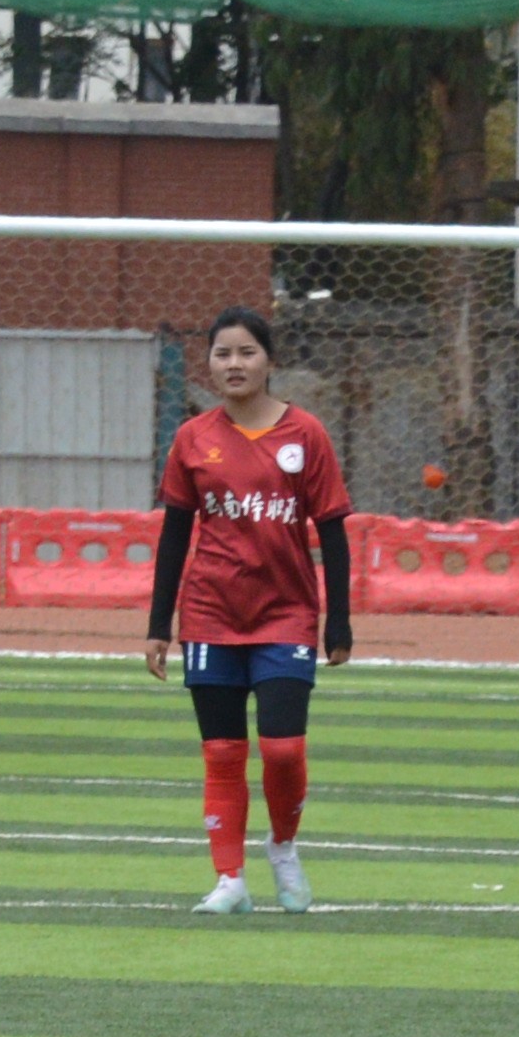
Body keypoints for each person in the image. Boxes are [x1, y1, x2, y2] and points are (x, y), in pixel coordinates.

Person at [145, 306, 353, 915]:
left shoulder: (306, 435)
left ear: (269, 360)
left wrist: (339, 620)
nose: (233, 364)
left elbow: (333, 530)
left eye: (246, 352)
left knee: (283, 748)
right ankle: (229, 880)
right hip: (210, 614)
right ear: (209, 365)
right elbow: (174, 536)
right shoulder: (193, 438)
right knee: (222, 752)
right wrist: (159, 625)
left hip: (286, 614)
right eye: (222, 354)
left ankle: (282, 846)